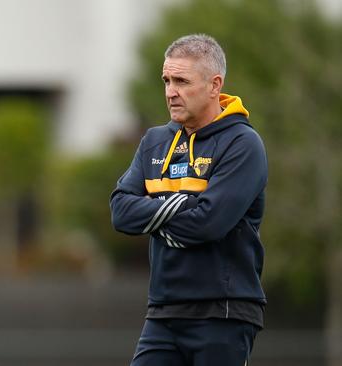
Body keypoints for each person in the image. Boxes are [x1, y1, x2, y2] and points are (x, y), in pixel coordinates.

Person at [110, 34, 267, 366]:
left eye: (181, 81)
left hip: (223, 312)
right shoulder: (154, 141)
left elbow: (208, 224)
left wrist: (154, 217)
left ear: (214, 85)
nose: (170, 91)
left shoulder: (243, 143)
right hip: (163, 312)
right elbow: (120, 211)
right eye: (167, 80)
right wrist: (184, 204)